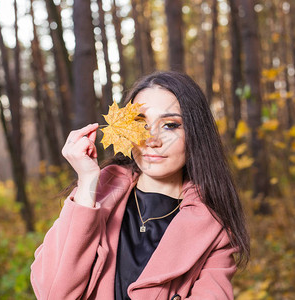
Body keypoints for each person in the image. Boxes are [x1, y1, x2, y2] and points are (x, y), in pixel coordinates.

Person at [30, 71, 250, 300]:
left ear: (195, 133)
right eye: (140, 124)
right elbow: (53, 293)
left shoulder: (213, 227)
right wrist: (87, 182)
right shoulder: (95, 196)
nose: (152, 140)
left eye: (171, 125)